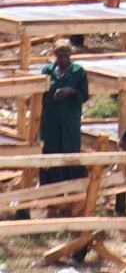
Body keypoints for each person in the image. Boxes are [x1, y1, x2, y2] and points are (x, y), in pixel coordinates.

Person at [40, 39, 88, 183]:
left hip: (69, 120)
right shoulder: (48, 71)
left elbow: (84, 95)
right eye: (60, 56)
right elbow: (40, 92)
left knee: (70, 149)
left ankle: (73, 186)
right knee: (51, 150)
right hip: (51, 120)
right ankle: (50, 187)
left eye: (65, 56)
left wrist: (70, 91)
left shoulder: (77, 72)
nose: (62, 59)